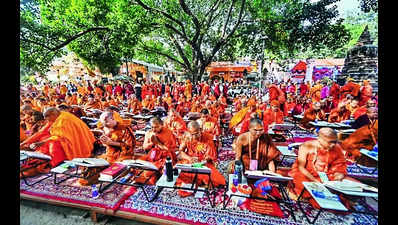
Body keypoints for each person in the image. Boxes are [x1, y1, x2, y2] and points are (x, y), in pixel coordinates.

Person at [20, 108, 95, 177]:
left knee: (52, 144)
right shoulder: (57, 117)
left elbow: (61, 137)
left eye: (47, 117)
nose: (46, 119)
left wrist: (42, 142)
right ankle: (43, 159)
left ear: (53, 114)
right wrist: (24, 143)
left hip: (76, 142)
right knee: (45, 139)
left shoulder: (64, 120)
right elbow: (42, 132)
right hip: (66, 139)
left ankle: (53, 163)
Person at [288, 128, 347, 208]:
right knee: (313, 192)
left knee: (342, 191)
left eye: (335, 142)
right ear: (320, 139)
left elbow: (340, 165)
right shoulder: (307, 146)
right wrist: (315, 180)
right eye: (330, 142)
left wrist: (338, 177)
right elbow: (301, 168)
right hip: (306, 175)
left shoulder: (336, 148)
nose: (333, 145)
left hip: (327, 176)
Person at [176, 121, 226, 197]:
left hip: (204, 163)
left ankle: (199, 182)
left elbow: (211, 157)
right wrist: (189, 158)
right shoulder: (187, 137)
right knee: (176, 173)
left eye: (196, 133)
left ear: (200, 129)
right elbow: (180, 152)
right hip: (190, 161)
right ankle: (198, 183)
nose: (194, 136)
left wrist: (202, 161)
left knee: (218, 181)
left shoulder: (208, 137)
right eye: (192, 134)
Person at [135, 117, 177, 185]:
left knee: (165, 171)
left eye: (156, 127)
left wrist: (157, 143)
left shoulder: (168, 133)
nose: (154, 129)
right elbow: (144, 147)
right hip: (152, 155)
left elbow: (169, 150)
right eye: (152, 127)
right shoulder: (149, 132)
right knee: (137, 165)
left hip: (165, 156)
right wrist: (152, 142)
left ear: (162, 125)